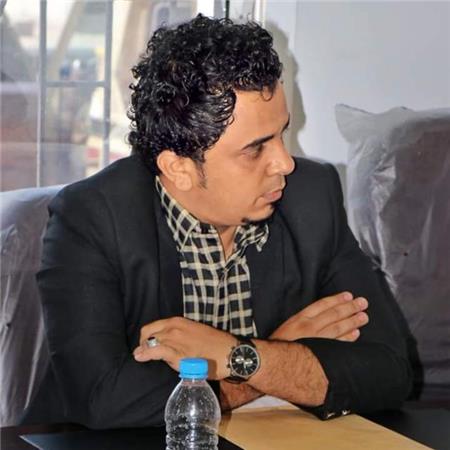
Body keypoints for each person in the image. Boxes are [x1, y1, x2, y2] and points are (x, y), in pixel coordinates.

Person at [24, 15, 412, 429]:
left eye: (282, 133)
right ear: (179, 168)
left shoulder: (311, 197)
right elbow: (103, 401)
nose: (284, 163)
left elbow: (389, 372)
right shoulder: (92, 217)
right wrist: (278, 352)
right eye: (255, 149)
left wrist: (238, 357)